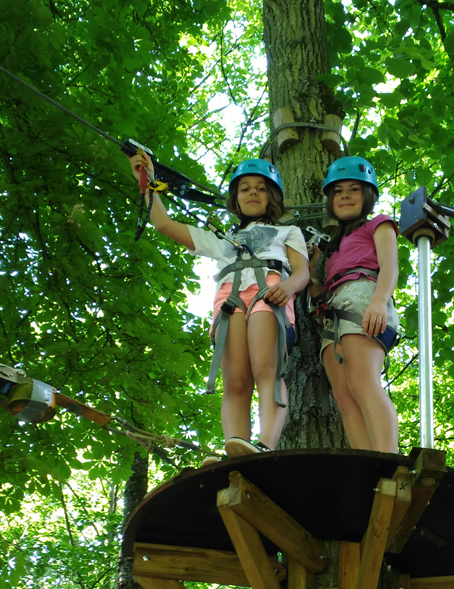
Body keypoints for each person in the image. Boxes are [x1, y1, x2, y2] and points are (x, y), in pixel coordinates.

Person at [128, 153, 309, 459]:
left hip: (269, 293)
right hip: (229, 299)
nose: (252, 193)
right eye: (245, 188)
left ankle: (265, 445)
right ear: (235, 199)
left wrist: (288, 287)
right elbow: (164, 224)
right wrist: (146, 182)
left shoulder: (288, 232)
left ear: (273, 197)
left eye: (261, 188)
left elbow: (302, 271)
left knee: (267, 369)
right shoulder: (224, 238)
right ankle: (237, 448)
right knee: (235, 380)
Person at [309, 156, 399, 453]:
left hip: (364, 295)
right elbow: (319, 293)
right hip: (334, 309)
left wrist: (379, 302)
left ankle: (387, 457)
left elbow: (390, 266)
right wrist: (312, 271)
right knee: (344, 395)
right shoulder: (334, 246)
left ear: (368, 195)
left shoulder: (378, 224)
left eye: (353, 189)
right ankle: (368, 464)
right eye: (338, 191)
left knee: (362, 381)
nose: (345, 196)